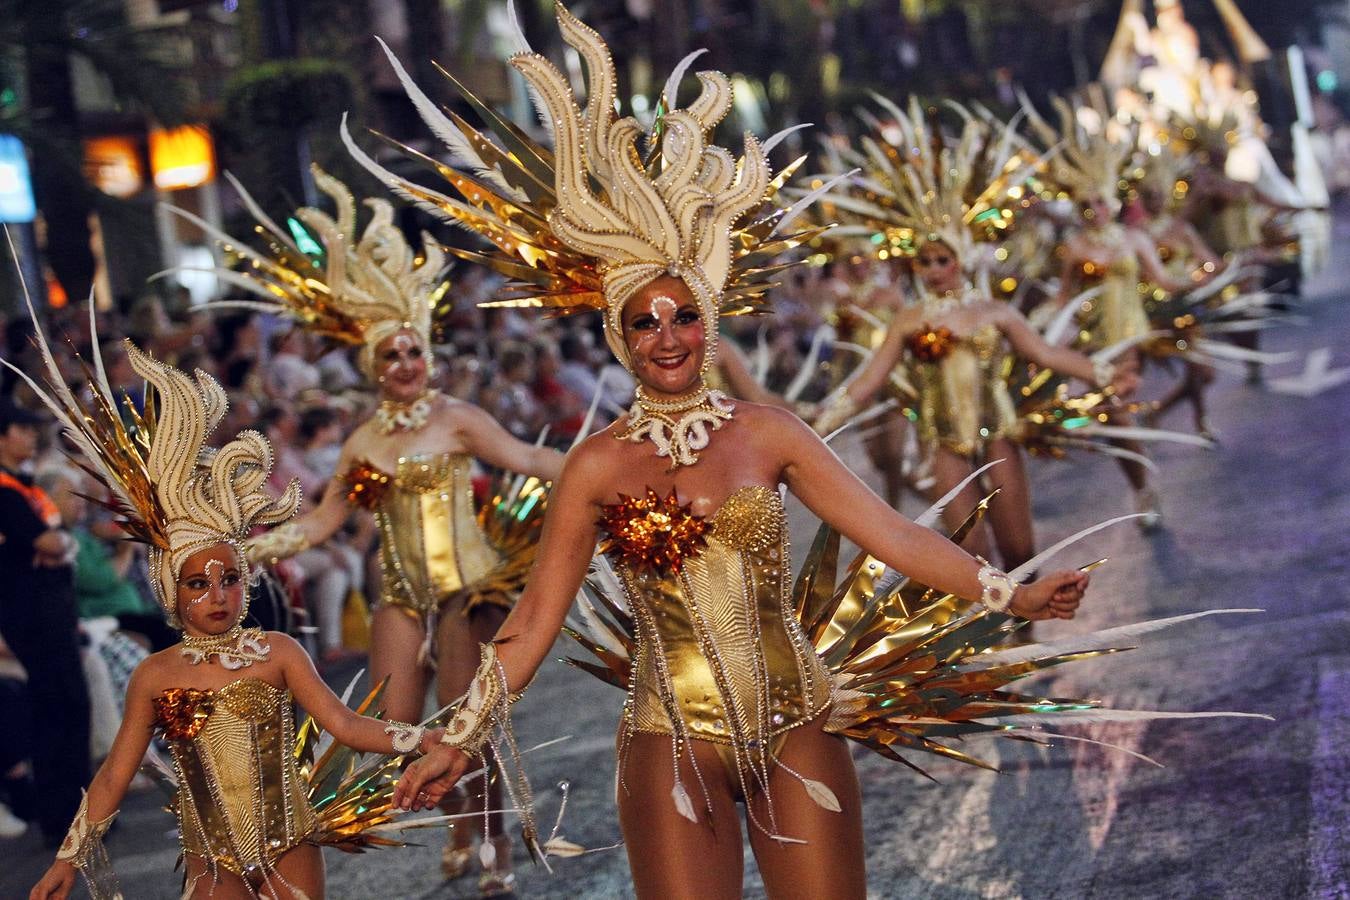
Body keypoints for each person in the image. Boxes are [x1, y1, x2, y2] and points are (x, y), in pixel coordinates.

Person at [369, 10, 1094, 896]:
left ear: (707, 321)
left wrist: (1008, 592)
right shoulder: (597, 464)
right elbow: (530, 626)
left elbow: (892, 534)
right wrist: (460, 733)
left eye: (682, 315)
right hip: (668, 741)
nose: (666, 336)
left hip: (796, 723)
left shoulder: (770, 431)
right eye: (644, 321)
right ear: (619, 337)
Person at [176, 168, 565, 894]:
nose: (407, 364)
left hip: (463, 591)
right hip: (399, 595)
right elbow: (321, 523)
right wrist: (246, 549)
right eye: (392, 355)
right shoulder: (360, 444)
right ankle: (459, 828)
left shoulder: (458, 418)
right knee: (397, 728)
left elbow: (528, 457)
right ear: (374, 368)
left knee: (461, 723)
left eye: (414, 351)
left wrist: (600, 462)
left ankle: (492, 843)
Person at [16, 333, 443, 900]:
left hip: (289, 842)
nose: (217, 595)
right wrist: (69, 857)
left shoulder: (278, 652)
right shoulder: (156, 674)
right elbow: (116, 774)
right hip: (208, 859)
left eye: (230, 579)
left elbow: (346, 726)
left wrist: (425, 738)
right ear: (171, 591)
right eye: (198, 583)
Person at [0, 399, 90, 848]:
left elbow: (57, 543)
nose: (32, 435)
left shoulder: (25, 484)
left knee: (70, 706)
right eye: (22, 427)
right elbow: (48, 542)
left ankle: (80, 811)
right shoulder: (5, 492)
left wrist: (57, 546)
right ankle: (64, 816)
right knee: (58, 709)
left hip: (53, 608)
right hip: (32, 614)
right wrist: (55, 546)